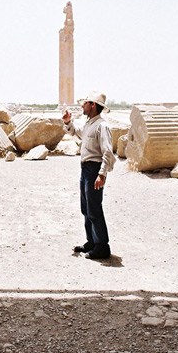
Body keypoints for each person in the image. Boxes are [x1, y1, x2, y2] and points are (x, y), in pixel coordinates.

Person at [62, 91, 116, 260]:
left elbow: (108, 152)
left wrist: (102, 174)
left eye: (85, 103)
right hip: (85, 169)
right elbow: (77, 133)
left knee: (94, 208)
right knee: (86, 209)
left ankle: (102, 246)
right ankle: (91, 242)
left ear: (93, 105)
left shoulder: (102, 126)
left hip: (94, 169)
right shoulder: (89, 125)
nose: (82, 106)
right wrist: (68, 122)